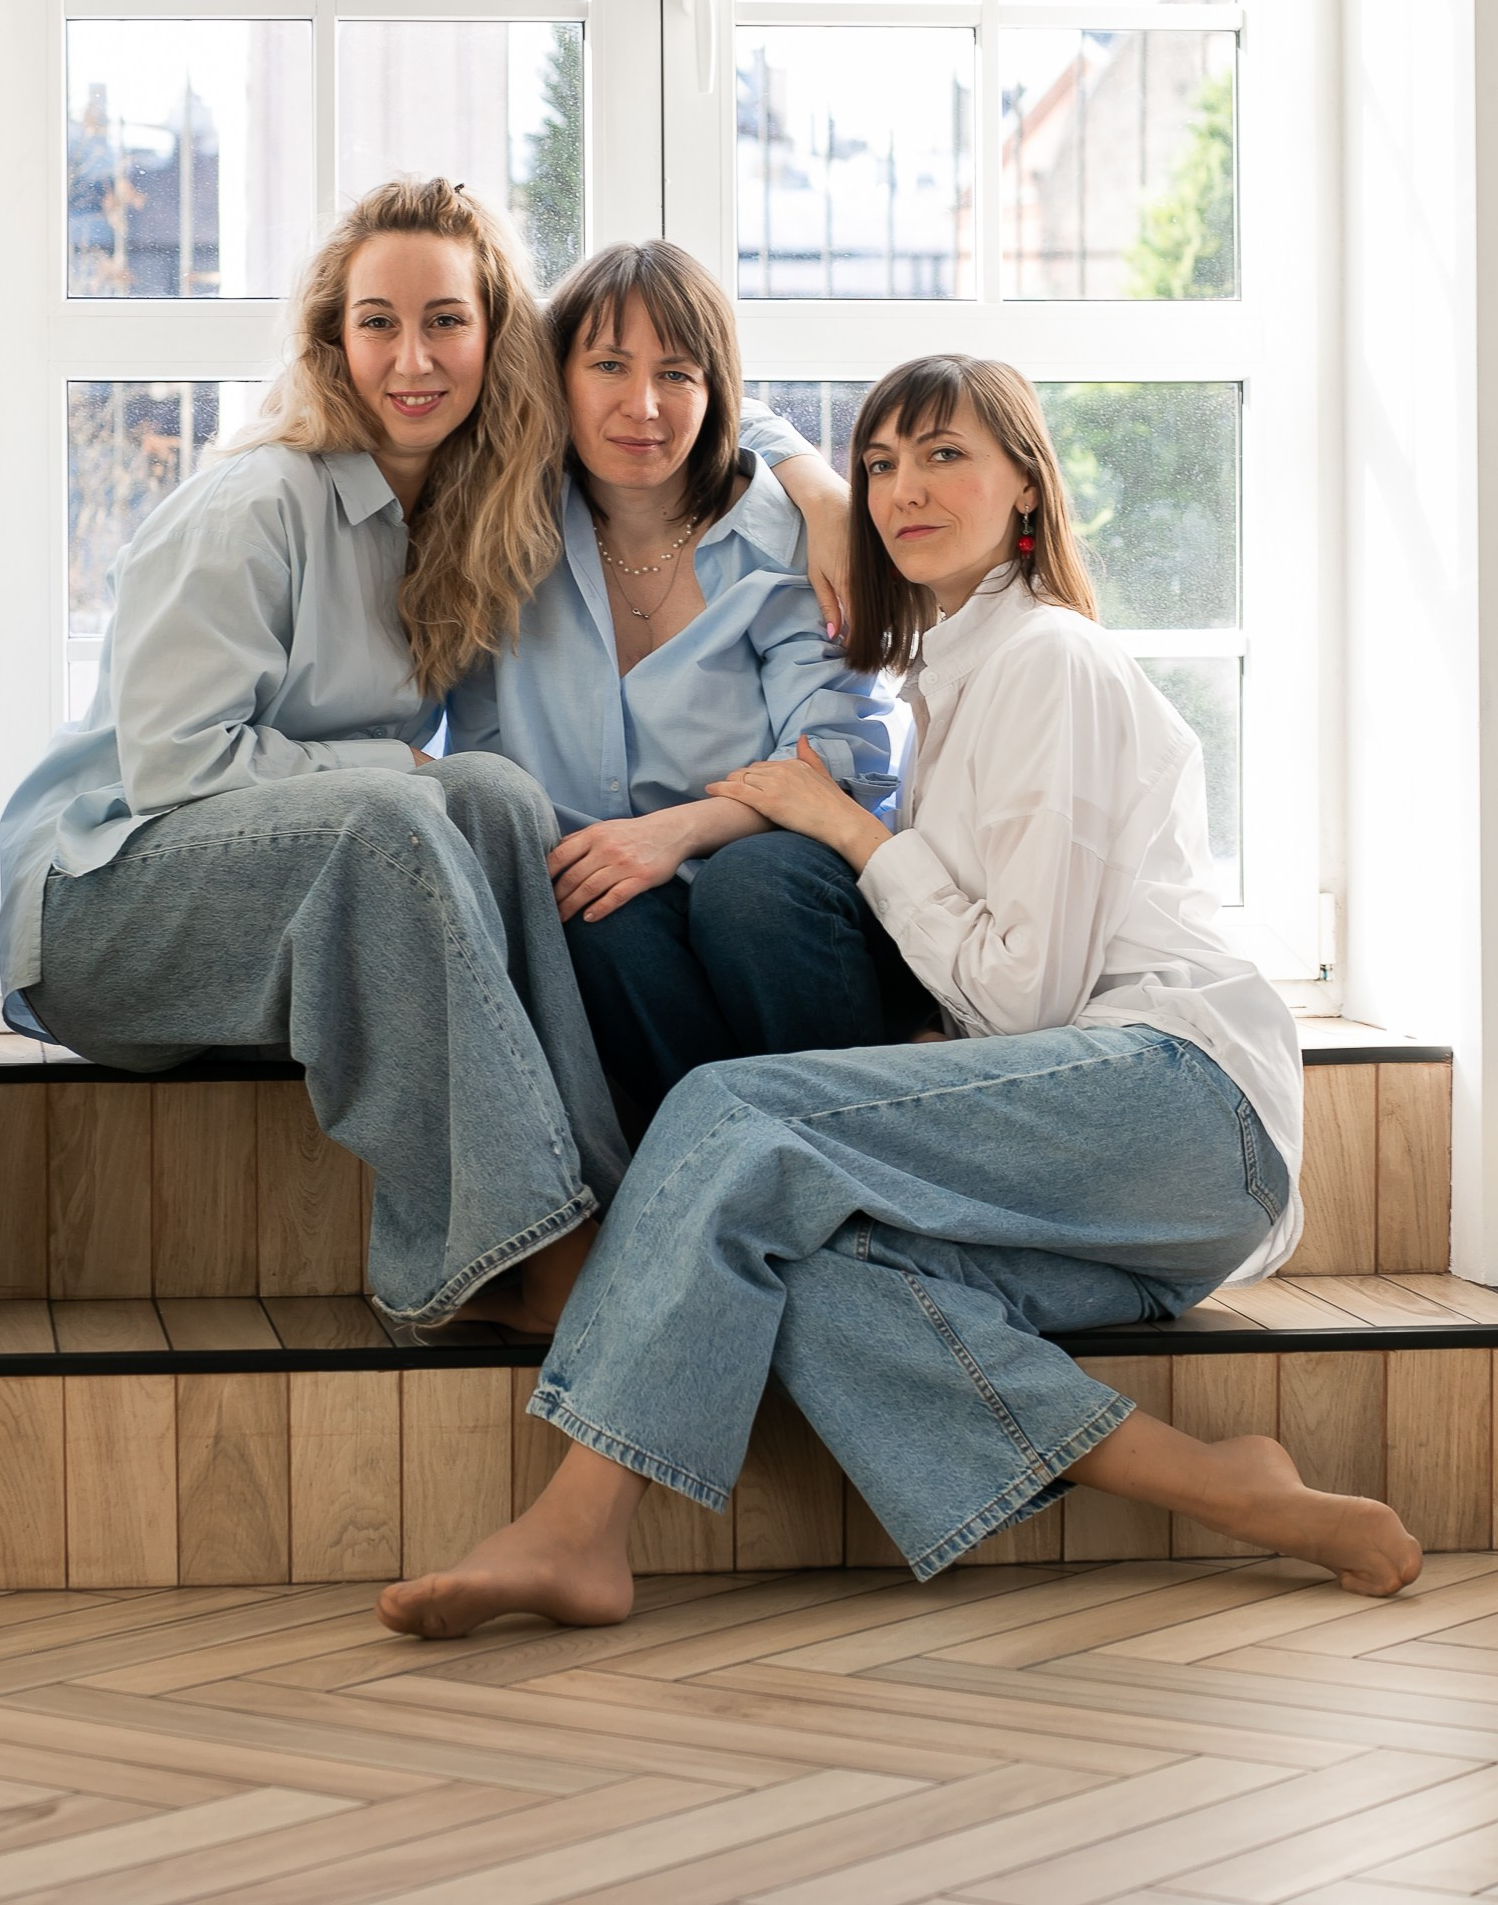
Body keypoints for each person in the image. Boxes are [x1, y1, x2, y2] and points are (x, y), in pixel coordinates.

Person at [379, 351, 1422, 1634]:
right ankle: (1218, 1481)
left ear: (1025, 485)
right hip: (1118, 1175)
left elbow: (1027, 997)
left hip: (1185, 1107)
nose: (901, 490)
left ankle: (580, 1527)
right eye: (877, 464)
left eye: (943, 456)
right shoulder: (950, 682)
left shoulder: (1048, 660)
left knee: (728, 1110)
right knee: (813, 1272)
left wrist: (847, 829)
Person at [0, 176, 632, 1333]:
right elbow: (178, 769)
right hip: (97, 920)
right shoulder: (256, 505)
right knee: (398, 813)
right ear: (334, 342)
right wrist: (392, 774)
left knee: (495, 797)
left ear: (494, 338)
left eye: (445, 320)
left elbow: (681, 412)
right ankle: (525, 1246)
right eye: (377, 321)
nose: (412, 358)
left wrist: (808, 479)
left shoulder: (454, 521)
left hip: (254, 910)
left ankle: (593, 1201)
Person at [443, 240, 920, 1141]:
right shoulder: (502, 536)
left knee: (749, 887)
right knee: (584, 909)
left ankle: (856, 1160)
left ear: (715, 391)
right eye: (608, 366)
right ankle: (752, 1175)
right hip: (614, 907)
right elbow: (484, 748)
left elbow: (838, 762)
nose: (644, 407)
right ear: (557, 377)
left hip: (781, 890)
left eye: (677, 374)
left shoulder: (789, 537)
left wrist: (675, 834)